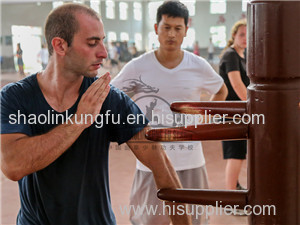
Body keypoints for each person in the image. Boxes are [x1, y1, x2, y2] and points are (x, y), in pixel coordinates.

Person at [0, 3, 191, 225]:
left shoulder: (108, 98)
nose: (104, 52)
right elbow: (13, 166)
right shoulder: (15, 97)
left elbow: (162, 165)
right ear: (60, 45)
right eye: (92, 43)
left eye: (102, 40)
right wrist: (79, 120)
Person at [111, 1, 228, 224]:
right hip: (150, 161)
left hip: (190, 157)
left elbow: (221, 90)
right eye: (166, 27)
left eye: (177, 28)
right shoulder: (138, 66)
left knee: (193, 219)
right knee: (149, 220)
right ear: (156, 29)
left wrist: (203, 120)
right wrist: (129, 124)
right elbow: (111, 95)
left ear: (186, 29)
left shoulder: (198, 65)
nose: (172, 34)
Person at [219, 19, 249, 191]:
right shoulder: (230, 55)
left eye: (247, 35)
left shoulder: (242, 56)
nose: (245, 38)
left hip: (239, 113)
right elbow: (237, 86)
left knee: (239, 153)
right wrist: (255, 107)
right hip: (230, 113)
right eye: (241, 34)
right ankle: (231, 198)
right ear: (234, 36)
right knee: (235, 155)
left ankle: (235, 187)